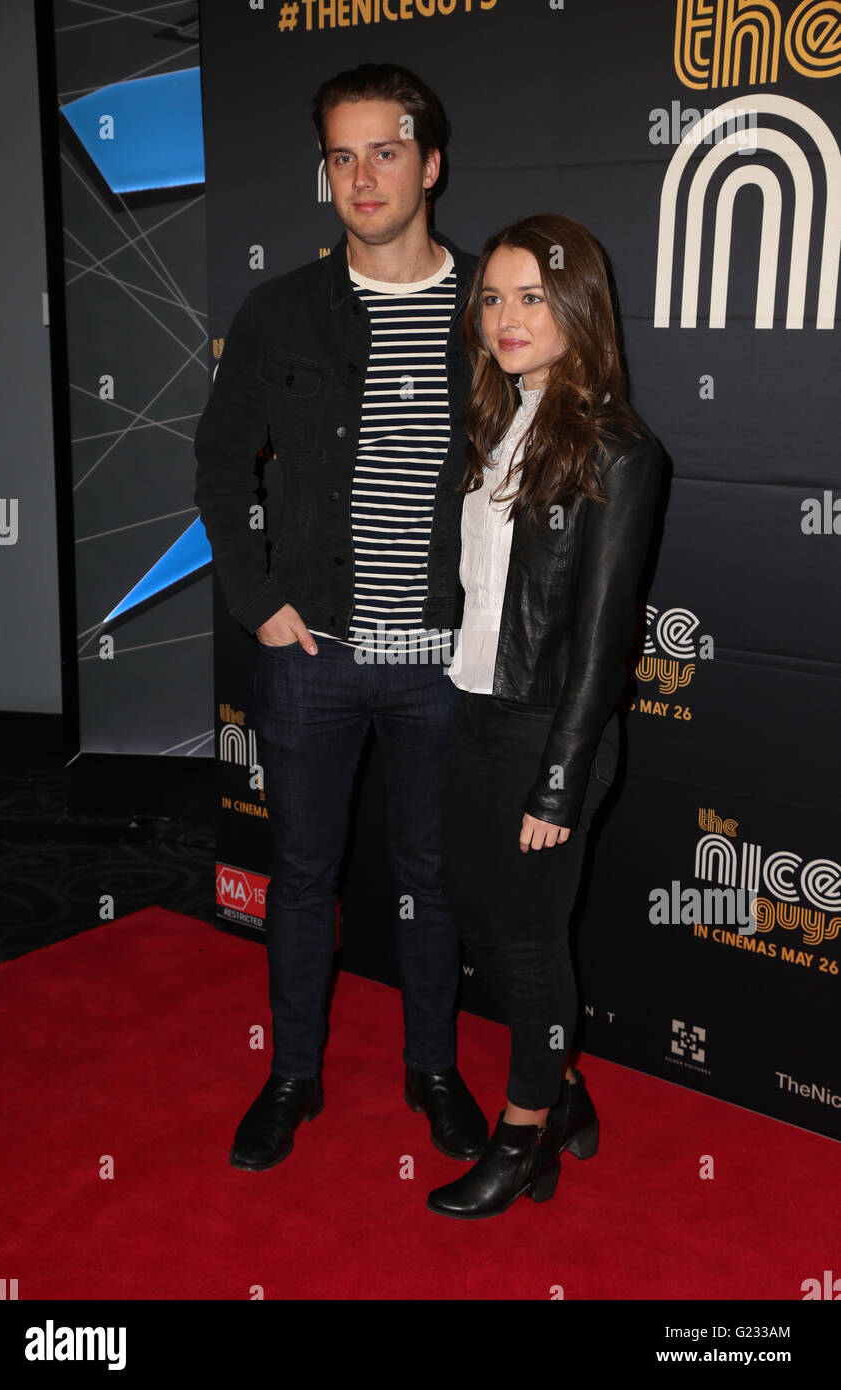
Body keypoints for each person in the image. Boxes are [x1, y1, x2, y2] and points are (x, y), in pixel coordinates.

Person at [193, 63, 489, 1172]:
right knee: (302, 876)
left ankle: (431, 1070)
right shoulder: (282, 310)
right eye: (341, 155)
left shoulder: (491, 304)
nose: (362, 176)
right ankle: (292, 1074)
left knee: (427, 876)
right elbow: (221, 462)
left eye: (385, 150)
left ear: (430, 161)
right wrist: (257, 600)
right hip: (311, 657)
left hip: (443, 668)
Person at [426, 213, 664, 1219]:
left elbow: (605, 640)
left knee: (524, 944)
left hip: (546, 732)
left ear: (576, 307)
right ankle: (561, 1091)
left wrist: (560, 776)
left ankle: (519, 1133)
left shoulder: (618, 450)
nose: (506, 318)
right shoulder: (495, 422)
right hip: (474, 710)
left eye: (531, 297)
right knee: (484, 920)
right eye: (492, 297)